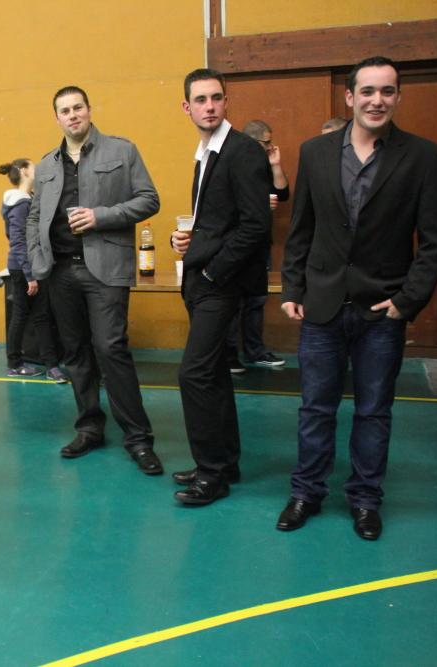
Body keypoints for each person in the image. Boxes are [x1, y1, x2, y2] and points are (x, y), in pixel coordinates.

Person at [276, 56, 437, 540]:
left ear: (398, 97)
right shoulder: (314, 152)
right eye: (368, 91)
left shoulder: (422, 156)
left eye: (387, 91)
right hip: (322, 305)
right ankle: (306, 492)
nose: (377, 100)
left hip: (382, 310)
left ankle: (365, 499)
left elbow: (434, 239)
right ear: (350, 97)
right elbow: (301, 228)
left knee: (374, 410)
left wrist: (407, 301)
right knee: (316, 408)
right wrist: (293, 288)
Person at [25, 85, 163, 476]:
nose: (72, 115)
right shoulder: (47, 165)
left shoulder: (122, 151)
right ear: (57, 118)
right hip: (60, 272)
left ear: (89, 109)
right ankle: (89, 428)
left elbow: (149, 199)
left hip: (105, 270)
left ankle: (138, 439)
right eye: (64, 110)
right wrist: (37, 260)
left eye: (78, 108)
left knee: (110, 348)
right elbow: (34, 216)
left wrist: (100, 216)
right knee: (76, 353)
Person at [170, 69, 272, 505]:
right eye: (200, 99)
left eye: (216, 98)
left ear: (226, 102)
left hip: (220, 283)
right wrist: (186, 241)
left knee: (193, 373)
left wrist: (213, 272)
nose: (209, 106)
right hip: (203, 277)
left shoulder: (243, 151)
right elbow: (216, 222)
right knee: (211, 374)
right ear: (187, 107)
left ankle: (211, 475)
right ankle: (224, 462)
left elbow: (255, 226)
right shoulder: (206, 152)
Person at [224, 120, 289, 373]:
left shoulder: (263, 164)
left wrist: (275, 164)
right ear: (253, 141)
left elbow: (282, 193)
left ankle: (255, 351)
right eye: (267, 142)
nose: (271, 146)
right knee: (232, 302)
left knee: (256, 300)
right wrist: (261, 203)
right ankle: (229, 354)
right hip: (236, 244)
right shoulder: (232, 161)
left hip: (260, 245)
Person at [0, 158, 67, 382]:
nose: (38, 171)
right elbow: (18, 241)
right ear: (24, 171)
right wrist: (30, 275)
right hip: (25, 268)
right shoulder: (20, 203)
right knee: (25, 315)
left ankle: (49, 366)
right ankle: (16, 364)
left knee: (40, 315)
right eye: (33, 167)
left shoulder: (26, 200)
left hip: (31, 265)